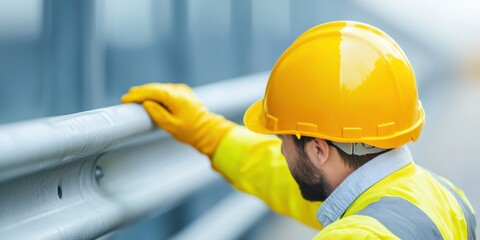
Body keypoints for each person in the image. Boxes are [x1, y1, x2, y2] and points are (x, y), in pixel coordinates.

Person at [122, 21, 476, 239]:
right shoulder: (445, 199)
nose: (280, 150)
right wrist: (206, 133)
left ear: (319, 149)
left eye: (282, 138)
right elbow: (283, 178)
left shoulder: (357, 235)